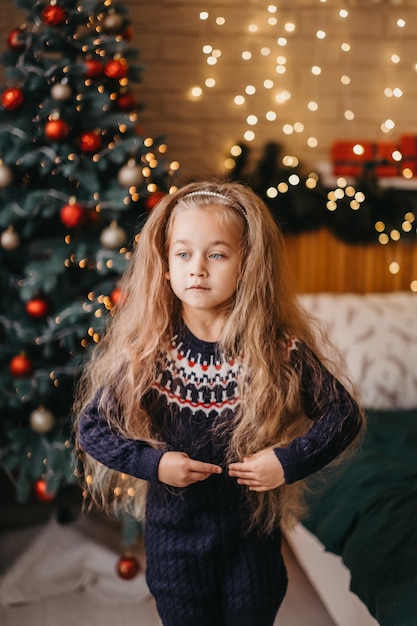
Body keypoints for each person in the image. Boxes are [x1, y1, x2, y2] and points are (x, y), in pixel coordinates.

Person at [73, 180, 364, 626]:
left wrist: (287, 461)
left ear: (247, 265)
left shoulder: (277, 349)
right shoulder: (149, 352)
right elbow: (92, 428)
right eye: (184, 254)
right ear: (165, 267)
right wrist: (156, 465)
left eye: (217, 254)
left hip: (252, 539)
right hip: (175, 541)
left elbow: (343, 415)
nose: (198, 270)